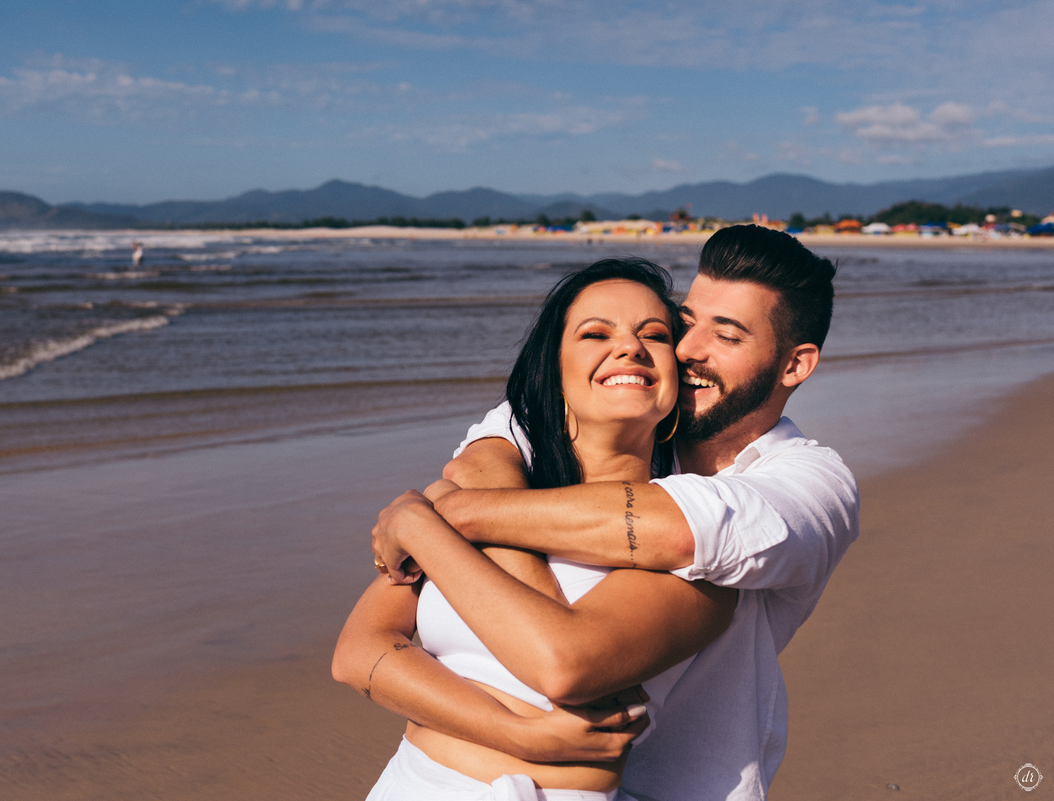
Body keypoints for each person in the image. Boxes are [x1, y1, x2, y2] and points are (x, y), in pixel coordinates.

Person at [367, 225, 859, 800]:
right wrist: (520, 732)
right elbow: (490, 446)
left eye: (725, 336)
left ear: (794, 366)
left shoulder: (811, 485)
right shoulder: (610, 426)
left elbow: (677, 530)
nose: (688, 348)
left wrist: (431, 520)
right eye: (685, 322)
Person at [333, 258, 738, 800]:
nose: (630, 348)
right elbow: (357, 652)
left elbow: (564, 666)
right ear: (558, 376)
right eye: (596, 333)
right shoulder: (496, 497)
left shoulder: (696, 536)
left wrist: (420, 524)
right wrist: (517, 733)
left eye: (655, 335)